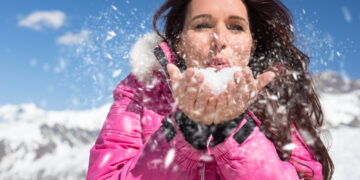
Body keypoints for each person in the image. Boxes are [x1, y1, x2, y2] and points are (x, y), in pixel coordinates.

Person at [86, 0, 334, 179]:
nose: (219, 39)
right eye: (202, 25)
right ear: (179, 38)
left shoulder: (274, 94)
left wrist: (235, 131)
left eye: (236, 27)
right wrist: (186, 130)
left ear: (252, 42)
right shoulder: (142, 93)